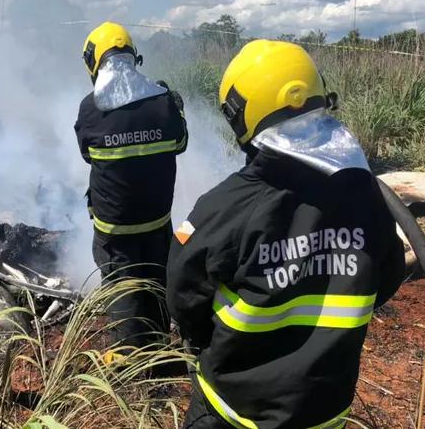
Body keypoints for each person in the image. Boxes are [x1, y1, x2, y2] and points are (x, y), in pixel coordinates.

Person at [167, 40, 405, 428]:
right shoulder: (365, 195)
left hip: (234, 411)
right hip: (323, 412)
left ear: (241, 116)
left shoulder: (229, 205)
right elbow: (389, 274)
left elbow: (184, 293)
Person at [74, 21, 187, 350]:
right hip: (157, 221)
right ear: (133, 56)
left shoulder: (90, 108)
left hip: (114, 228)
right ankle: (158, 349)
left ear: (94, 62)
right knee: (155, 280)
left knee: (123, 287)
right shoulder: (163, 101)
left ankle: (128, 363)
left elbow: (86, 154)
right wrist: (176, 110)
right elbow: (180, 142)